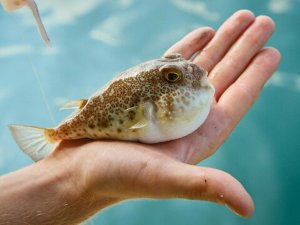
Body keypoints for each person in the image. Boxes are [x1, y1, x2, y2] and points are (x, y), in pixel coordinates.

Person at [0, 10, 281, 224]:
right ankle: (52, 136)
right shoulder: (147, 108)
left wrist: (70, 179)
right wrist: (70, 177)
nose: (191, 74)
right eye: (173, 76)